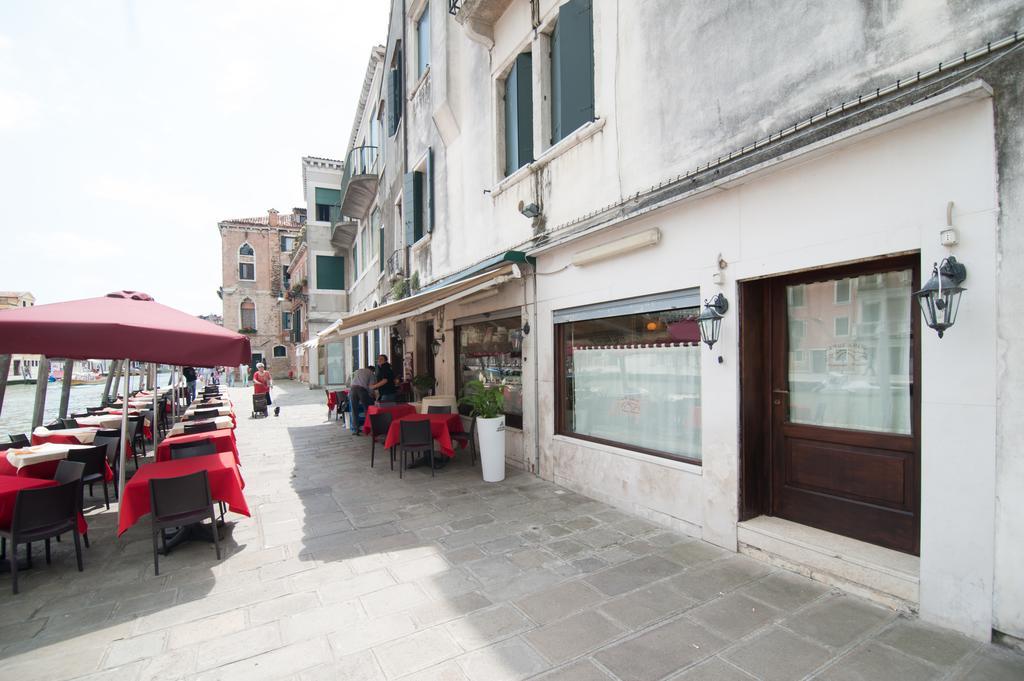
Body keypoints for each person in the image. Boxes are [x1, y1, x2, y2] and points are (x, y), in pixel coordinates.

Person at [348, 365, 376, 435]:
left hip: (352, 389)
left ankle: (355, 429)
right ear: (373, 370)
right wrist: (372, 395)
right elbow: (371, 387)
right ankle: (368, 429)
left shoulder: (358, 371)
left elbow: (351, 380)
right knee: (367, 409)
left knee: (354, 410)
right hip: (361, 390)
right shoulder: (371, 373)